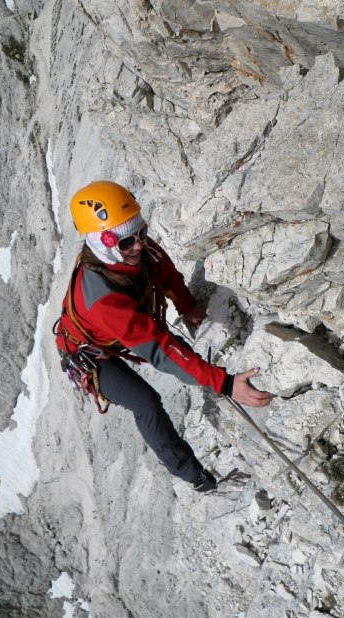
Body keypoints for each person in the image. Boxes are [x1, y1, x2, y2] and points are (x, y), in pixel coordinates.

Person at [55, 181, 273, 492]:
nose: (139, 245)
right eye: (127, 241)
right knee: (146, 402)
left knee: (184, 354)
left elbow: (164, 270)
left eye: (141, 233)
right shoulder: (103, 301)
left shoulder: (134, 250)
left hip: (114, 330)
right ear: (102, 245)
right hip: (89, 353)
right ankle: (191, 474)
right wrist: (224, 382)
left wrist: (187, 305)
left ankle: (205, 378)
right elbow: (158, 348)